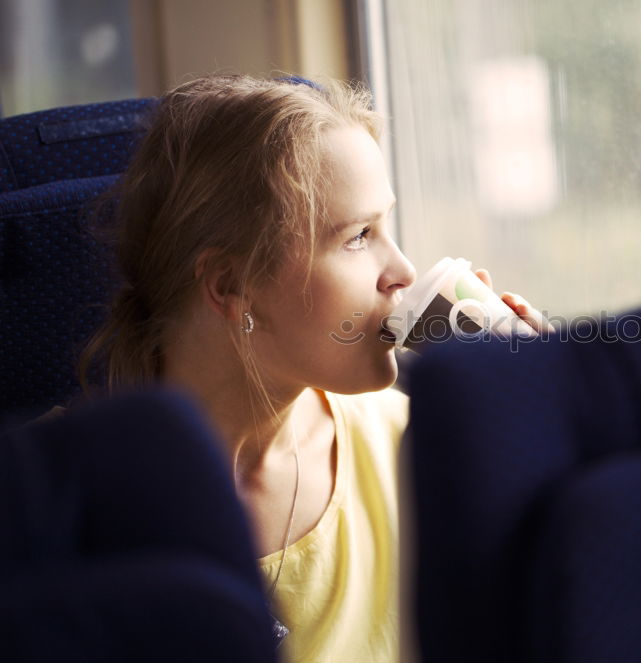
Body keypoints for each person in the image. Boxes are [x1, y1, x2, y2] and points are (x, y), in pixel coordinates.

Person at [78, 74, 548, 662]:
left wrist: (548, 437)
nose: (402, 270)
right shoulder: (58, 506)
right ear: (232, 285)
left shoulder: (423, 446)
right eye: (358, 237)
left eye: (387, 228)